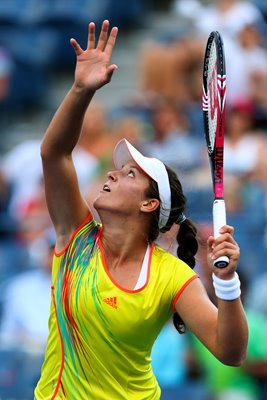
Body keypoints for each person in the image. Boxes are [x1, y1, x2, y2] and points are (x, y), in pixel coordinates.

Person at [34, 20, 248, 400]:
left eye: (129, 173)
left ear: (149, 203)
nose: (113, 174)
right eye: (118, 169)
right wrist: (82, 90)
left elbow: (231, 353)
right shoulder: (76, 238)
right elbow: (54, 153)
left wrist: (227, 283)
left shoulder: (169, 277)